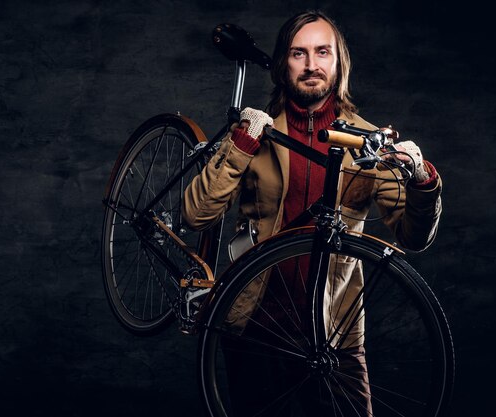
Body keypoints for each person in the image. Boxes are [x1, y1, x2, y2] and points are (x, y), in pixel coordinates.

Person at [182, 9, 442, 417]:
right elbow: (196, 214)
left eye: (322, 52)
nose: (311, 65)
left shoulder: (368, 145)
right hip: (256, 327)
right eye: (298, 54)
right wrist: (240, 147)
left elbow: (414, 238)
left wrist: (423, 181)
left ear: (340, 63)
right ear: (283, 65)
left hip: (334, 335)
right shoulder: (258, 134)